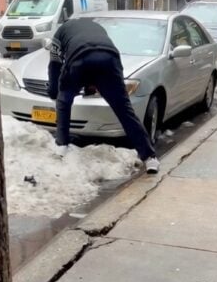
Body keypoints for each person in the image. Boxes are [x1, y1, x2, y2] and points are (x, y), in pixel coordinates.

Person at [48, 17, 159, 174]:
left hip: (79, 59)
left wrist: (53, 91)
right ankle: (150, 158)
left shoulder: (60, 33)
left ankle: (62, 145)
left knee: (64, 100)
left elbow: (54, 64)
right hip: (110, 59)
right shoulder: (95, 26)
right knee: (124, 110)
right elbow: (98, 56)